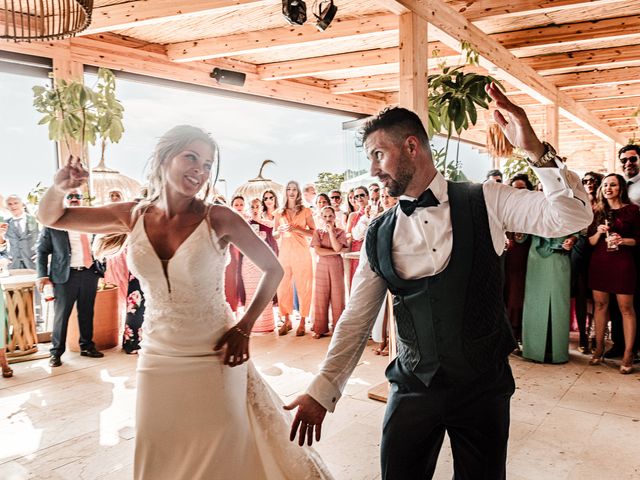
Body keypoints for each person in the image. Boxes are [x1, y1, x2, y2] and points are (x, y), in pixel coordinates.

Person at [285, 85, 592, 480]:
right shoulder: (379, 233)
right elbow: (357, 318)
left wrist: (536, 151)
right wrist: (322, 388)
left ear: (412, 146)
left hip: (484, 388)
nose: (373, 170)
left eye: (379, 155)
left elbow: (572, 217)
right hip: (413, 388)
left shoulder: (488, 199)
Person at [36, 126, 331, 480]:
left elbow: (272, 269)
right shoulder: (131, 215)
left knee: (220, 449)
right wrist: (59, 187)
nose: (200, 170)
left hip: (216, 353)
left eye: (207, 164)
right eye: (191, 157)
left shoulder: (219, 218)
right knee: (161, 448)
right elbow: (52, 217)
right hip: (158, 356)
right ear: (164, 158)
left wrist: (245, 326)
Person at [36, 189, 104, 367]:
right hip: (65, 276)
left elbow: (100, 246)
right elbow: (42, 251)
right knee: (61, 316)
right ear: (65, 200)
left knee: (87, 312)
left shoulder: (92, 222)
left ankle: (87, 346)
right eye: (70, 196)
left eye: (77, 196)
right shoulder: (54, 223)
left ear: (82, 200)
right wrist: (42, 275)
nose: (74, 199)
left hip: (90, 273)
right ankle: (56, 353)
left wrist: (102, 268)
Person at [587, 173, 639, 374]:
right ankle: (599, 348)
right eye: (605, 185)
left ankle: (628, 353)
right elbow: (591, 242)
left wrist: (622, 240)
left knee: (626, 309)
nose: (608, 188)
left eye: (613, 185)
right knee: (600, 306)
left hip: (623, 262)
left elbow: (638, 239)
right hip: (600, 261)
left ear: (621, 188)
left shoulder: (633, 211)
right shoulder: (597, 210)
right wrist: (599, 232)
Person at [521, 234, 576, 364]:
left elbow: (577, 232)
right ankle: (533, 350)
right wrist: (519, 235)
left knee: (559, 304)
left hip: (559, 255)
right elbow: (522, 237)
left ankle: (556, 351)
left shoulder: (568, 213)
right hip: (536, 257)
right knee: (535, 303)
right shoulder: (531, 213)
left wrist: (572, 240)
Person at [274, 181, 315, 336]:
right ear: (285, 192)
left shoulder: (305, 211)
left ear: (298, 193)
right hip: (284, 252)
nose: (291, 192)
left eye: (294, 189)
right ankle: (287, 320)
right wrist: (279, 230)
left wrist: (297, 229)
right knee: (283, 286)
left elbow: (314, 232)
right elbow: (274, 233)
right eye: (288, 189)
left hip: (302, 252)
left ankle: (303, 321)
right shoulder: (279, 212)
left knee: (304, 286)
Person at [310, 206, 348, 338]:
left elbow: (338, 246)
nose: (328, 219)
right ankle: (319, 329)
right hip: (322, 266)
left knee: (338, 297)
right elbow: (318, 251)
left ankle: (338, 329)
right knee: (321, 296)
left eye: (330, 216)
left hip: (336, 265)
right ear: (321, 217)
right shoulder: (317, 232)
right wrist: (336, 252)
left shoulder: (340, 232)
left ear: (334, 216)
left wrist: (331, 232)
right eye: (325, 216)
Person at [4, 194, 39, 270]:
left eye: (16, 203)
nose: (13, 206)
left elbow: (46, 239)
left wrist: (43, 254)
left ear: (22, 204)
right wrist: (5, 257)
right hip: (13, 265)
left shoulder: (36, 220)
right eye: (9, 204)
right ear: (7, 207)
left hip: (34, 263)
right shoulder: (4, 223)